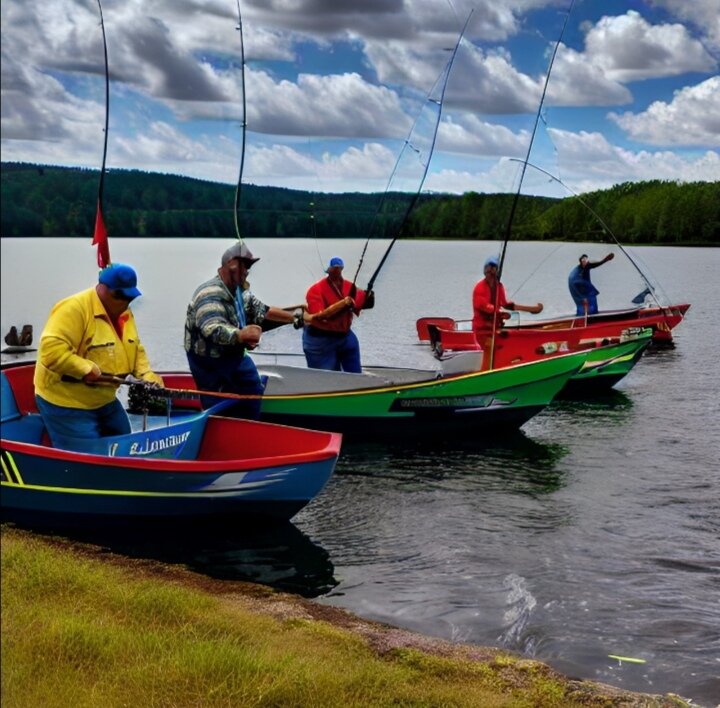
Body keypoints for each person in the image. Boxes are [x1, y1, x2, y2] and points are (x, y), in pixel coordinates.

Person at [33, 263, 163, 447]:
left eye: (130, 298)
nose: (124, 302)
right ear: (101, 288)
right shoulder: (73, 309)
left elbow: (134, 347)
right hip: (67, 402)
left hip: (105, 399)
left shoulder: (124, 311)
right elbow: (50, 351)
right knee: (86, 455)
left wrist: (146, 374)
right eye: (119, 296)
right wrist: (85, 368)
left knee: (125, 443)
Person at [184, 242, 301, 418]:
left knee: (252, 387)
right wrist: (241, 335)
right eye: (244, 266)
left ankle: (250, 426)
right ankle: (218, 429)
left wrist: (297, 317)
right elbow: (211, 329)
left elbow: (263, 311)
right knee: (216, 403)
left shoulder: (240, 292)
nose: (247, 271)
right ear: (231, 264)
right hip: (208, 362)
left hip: (235, 357)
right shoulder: (210, 294)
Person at [302, 256, 374, 373]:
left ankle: (356, 384)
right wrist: (342, 304)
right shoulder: (315, 290)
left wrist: (368, 297)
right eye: (334, 268)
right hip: (320, 340)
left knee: (355, 372)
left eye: (339, 268)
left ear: (342, 269)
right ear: (328, 269)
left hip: (345, 335)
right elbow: (320, 316)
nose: (336, 270)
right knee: (327, 378)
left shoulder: (350, 287)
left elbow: (362, 302)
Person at [472, 255, 543, 369]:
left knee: (509, 343)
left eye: (493, 268)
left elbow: (505, 304)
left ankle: (509, 365)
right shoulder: (479, 288)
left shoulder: (499, 286)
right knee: (490, 349)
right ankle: (485, 373)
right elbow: (484, 306)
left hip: (495, 329)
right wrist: (500, 313)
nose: (490, 271)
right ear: (485, 270)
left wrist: (531, 309)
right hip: (482, 331)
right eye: (488, 268)